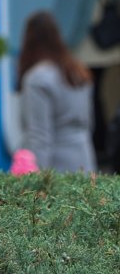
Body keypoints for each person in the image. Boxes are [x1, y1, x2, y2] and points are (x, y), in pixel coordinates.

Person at [17, 9, 97, 173]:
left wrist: (36, 184)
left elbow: (39, 136)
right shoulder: (78, 72)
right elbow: (89, 123)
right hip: (85, 160)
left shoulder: (37, 78)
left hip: (57, 168)